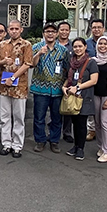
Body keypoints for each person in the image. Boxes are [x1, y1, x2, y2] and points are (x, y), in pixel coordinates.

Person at [0, 20, 33, 158]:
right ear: (8, 30)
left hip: (19, 87)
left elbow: (28, 63)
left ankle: (17, 145)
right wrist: (4, 62)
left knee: (18, 117)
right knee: (4, 117)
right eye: (11, 28)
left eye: (16, 28)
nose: (14, 31)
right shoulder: (2, 44)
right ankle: (6, 143)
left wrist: (13, 77)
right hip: (3, 86)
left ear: (21, 30)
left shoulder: (26, 45)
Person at [31, 22, 68, 154]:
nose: (50, 34)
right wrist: (39, 54)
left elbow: (67, 68)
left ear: (57, 33)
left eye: (53, 31)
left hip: (57, 89)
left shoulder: (63, 50)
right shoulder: (36, 47)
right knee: (39, 117)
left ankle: (54, 140)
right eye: (47, 31)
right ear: (43, 34)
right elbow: (32, 64)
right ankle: (40, 140)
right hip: (40, 88)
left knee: (56, 117)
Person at [84, 19, 107, 142]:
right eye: (94, 27)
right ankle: (92, 131)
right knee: (94, 116)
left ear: (103, 29)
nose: (96, 29)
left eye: (99, 27)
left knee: (105, 120)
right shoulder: (87, 43)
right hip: (93, 86)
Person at [62, 37, 99, 161]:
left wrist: (78, 87)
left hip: (84, 96)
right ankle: (75, 145)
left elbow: (94, 80)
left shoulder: (91, 62)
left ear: (85, 47)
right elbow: (69, 77)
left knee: (81, 124)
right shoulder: (72, 62)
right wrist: (64, 86)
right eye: (75, 47)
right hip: (73, 96)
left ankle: (81, 149)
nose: (77, 49)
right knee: (75, 122)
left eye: (80, 46)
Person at [57, 21, 75, 144]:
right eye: (62, 30)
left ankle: (67, 132)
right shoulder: (53, 44)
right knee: (55, 108)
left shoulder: (73, 46)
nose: (64, 32)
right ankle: (55, 132)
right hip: (55, 81)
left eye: (66, 30)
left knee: (68, 107)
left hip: (69, 81)